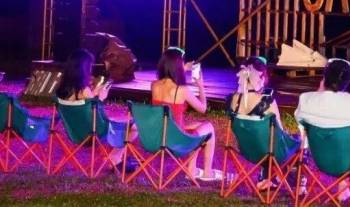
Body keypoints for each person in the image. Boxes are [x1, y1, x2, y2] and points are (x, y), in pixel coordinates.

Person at [294, 58, 350, 201]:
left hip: (321, 160)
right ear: (347, 80)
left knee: (342, 139)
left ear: (324, 78)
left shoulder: (305, 99)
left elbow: (300, 119)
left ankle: (344, 190)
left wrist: (319, 92)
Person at [56, 48, 137, 171]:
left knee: (120, 122)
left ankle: (116, 159)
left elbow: (85, 106)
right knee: (134, 127)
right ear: (84, 68)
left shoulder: (62, 90)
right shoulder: (83, 90)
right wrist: (101, 99)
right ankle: (115, 158)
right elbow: (98, 114)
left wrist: (94, 95)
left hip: (75, 134)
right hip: (95, 134)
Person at [150, 47, 222, 181]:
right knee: (209, 127)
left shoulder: (154, 85)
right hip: (176, 141)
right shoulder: (182, 90)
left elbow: (170, 78)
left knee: (197, 126)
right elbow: (203, 108)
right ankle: (207, 173)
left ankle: (192, 170)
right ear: (178, 66)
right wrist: (200, 86)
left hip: (159, 136)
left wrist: (183, 68)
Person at [230, 56, 291, 190]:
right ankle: (297, 186)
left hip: (247, 151)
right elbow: (280, 132)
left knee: (265, 141)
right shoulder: (267, 101)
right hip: (269, 153)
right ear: (261, 78)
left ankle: (268, 178)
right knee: (294, 144)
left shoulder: (233, 99)